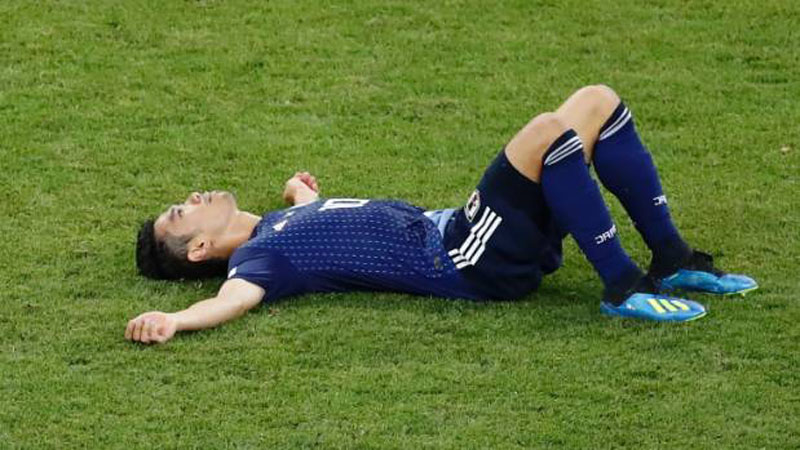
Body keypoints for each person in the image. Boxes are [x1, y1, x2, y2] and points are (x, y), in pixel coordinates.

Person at [126, 85, 757, 344]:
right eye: (183, 213)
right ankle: (623, 286)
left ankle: (671, 260)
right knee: (545, 131)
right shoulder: (259, 260)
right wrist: (176, 320)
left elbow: (318, 224)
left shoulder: (277, 229)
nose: (197, 196)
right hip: (460, 252)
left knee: (596, 102)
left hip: (476, 237)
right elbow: (233, 301)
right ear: (201, 251)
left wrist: (298, 193)